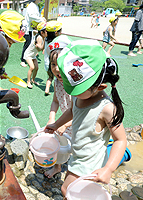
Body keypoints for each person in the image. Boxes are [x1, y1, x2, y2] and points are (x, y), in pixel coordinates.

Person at [45, 39, 127, 197]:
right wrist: (56, 124)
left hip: (90, 163)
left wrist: (108, 169)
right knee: (72, 192)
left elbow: (121, 140)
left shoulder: (107, 109)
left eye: (76, 88)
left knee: (67, 191)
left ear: (100, 87)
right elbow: (72, 111)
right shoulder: (79, 96)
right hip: (77, 155)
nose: (72, 93)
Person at [44, 35, 73, 178]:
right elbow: (55, 101)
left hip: (77, 123)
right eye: (53, 64)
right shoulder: (57, 82)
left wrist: (64, 124)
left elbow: (81, 111)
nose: (56, 68)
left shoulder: (76, 85)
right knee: (59, 144)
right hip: (64, 122)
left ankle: (74, 173)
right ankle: (57, 167)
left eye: (60, 64)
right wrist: (52, 118)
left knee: (76, 150)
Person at [19, 0, 46, 68]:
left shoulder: (36, 6)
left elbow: (38, 16)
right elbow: (31, 16)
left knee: (31, 44)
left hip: (33, 29)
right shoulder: (31, 5)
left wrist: (42, 18)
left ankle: (28, 58)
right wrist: (41, 20)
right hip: (28, 29)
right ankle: (22, 60)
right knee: (27, 44)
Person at [24, 22, 47, 89]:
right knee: (32, 67)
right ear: (42, 32)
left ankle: (33, 80)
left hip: (33, 54)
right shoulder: (40, 37)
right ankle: (28, 82)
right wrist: (43, 46)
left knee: (36, 68)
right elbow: (40, 48)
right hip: (28, 54)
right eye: (46, 31)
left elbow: (34, 32)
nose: (47, 33)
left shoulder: (40, 35)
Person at [44, 21, 62, 96]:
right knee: (59, 79)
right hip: (56, 64)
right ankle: (58, 92)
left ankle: (47, 89)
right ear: (56, 33)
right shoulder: (58, 41)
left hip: (47, 63)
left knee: (50, 77)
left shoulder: (46, 39)